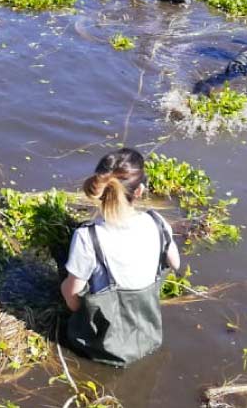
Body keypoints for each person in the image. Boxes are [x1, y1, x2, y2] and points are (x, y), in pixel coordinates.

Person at [61, 148, 181, 367]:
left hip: (99, 346)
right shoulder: (157, 222)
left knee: (66, 283)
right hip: (148, 336)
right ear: (139, 191)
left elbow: (72, 297)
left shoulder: (88, 236)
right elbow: (175, 263)